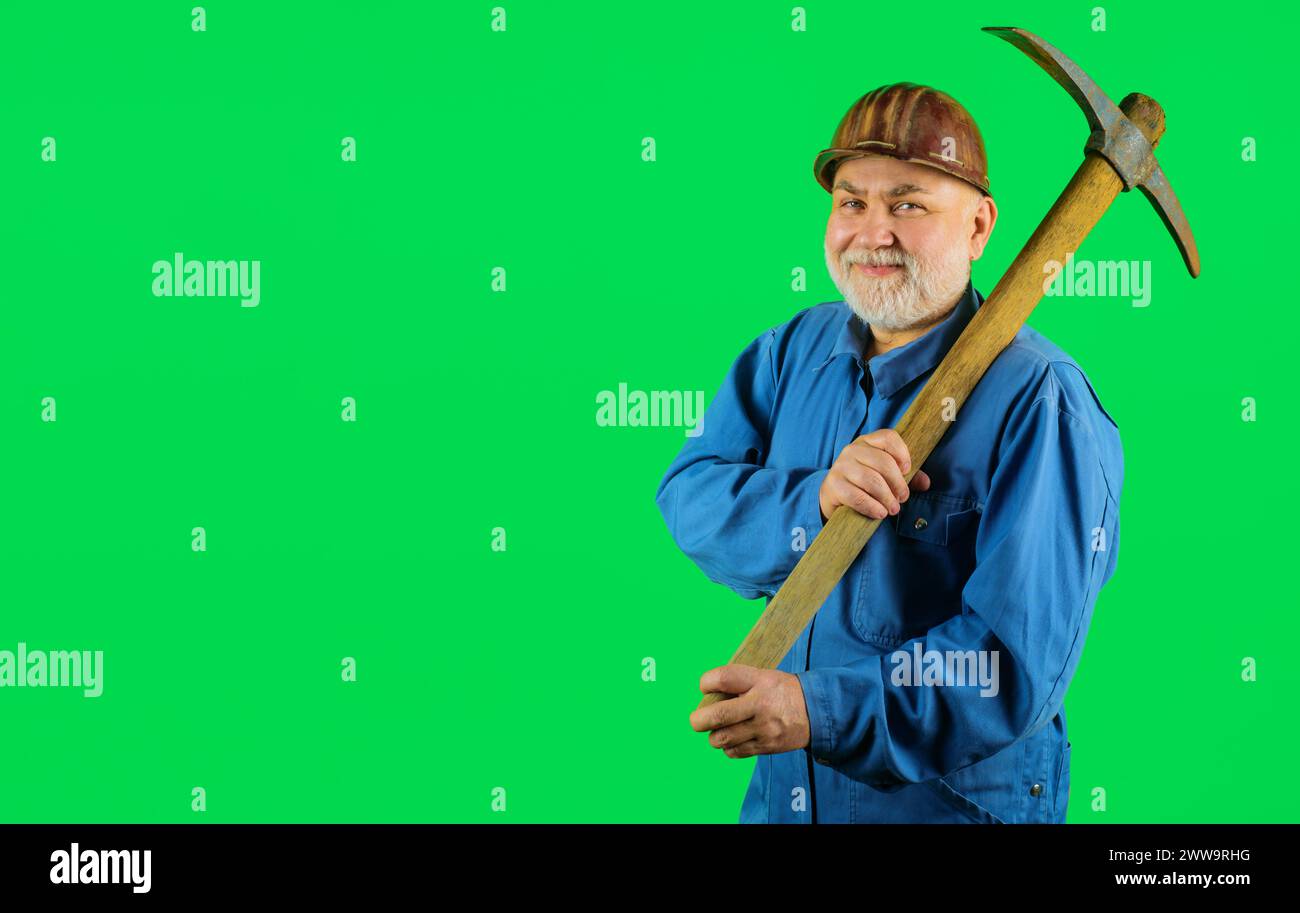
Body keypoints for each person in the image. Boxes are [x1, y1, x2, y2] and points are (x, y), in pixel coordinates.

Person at [655, 83, 1124, 823]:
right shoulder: (792, 351)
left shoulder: (1041, 400)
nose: (874, 232)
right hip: (786, 802)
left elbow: (1008, 665)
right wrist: (813, 500)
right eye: (852, 201)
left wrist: (819, 711)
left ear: (978, 226)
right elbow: (688, 492)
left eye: (908, 204)